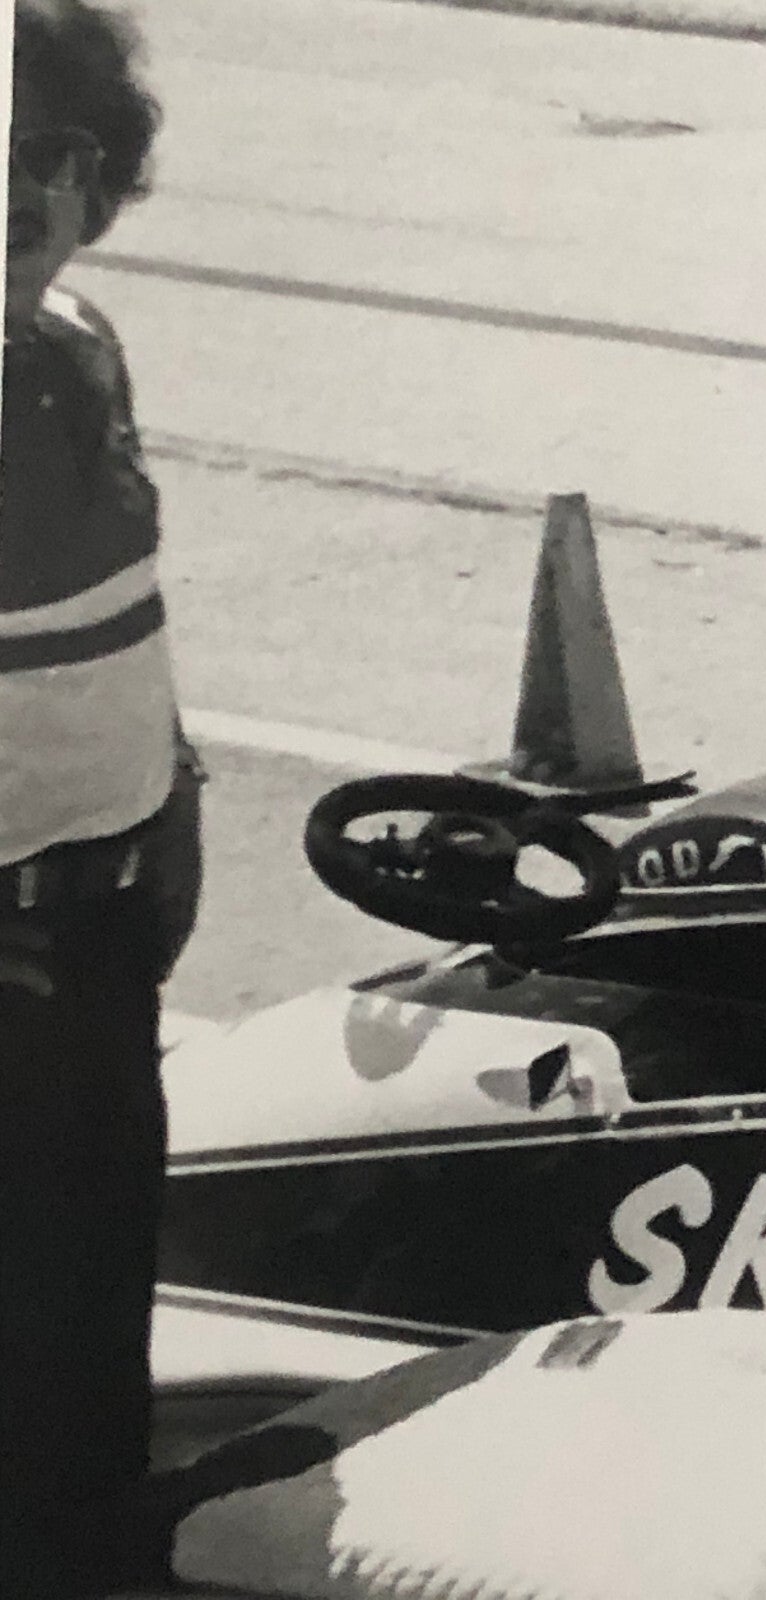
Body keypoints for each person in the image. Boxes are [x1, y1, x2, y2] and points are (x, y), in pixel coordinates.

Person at [2, 3, 202, 1592]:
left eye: (61, 152)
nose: (32, 192)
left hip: (103, 931)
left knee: (87, 1379)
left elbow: (120, 623)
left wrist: (171, 800)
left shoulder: (78, 343)